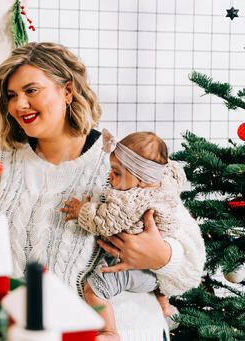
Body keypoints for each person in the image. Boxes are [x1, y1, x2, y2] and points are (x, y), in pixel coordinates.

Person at [0, 42, 205, 340]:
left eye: (31, 90)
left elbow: (191, 267)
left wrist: (163, 256)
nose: (18, 104)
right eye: (12, 95)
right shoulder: (1, 158)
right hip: (25, 331)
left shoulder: (119, 161)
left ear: (67, 91)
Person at [61, 131, 199, 340]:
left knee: (94, 288)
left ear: (142, 179)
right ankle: (164, 302)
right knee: (156, 281)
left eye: (116, 173)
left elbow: (104, 221)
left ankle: (108, 331)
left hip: (138, 271)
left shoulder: (132, 200)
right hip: (152, 275)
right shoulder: (165, 184)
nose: (110, 177)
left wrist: (83, 209)